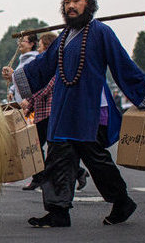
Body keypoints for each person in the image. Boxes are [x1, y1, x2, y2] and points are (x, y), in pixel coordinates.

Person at [3, 0, 145, 228]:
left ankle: (121, 201)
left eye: (76, 0)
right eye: (67, 1)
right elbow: (44, 66)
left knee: (97, 161)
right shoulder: (65, 37)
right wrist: (16, 75)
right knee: (58, 160)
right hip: (62, 110)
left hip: (89, 110)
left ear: (88, 4)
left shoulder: (101, 32)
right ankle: (58, 212)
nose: (70, 5)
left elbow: (122, 63)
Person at [17, 32, 89, 191]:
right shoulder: (40, 63)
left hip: (50, 111)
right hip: (41, 111)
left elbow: (47, 88)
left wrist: (29, 101)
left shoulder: (54, 65)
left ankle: (49, 179)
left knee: (42, 146)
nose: (40, 48)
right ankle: (72, 173)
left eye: (42, 45)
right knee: (41, 146)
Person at [8, 34, 39, 103]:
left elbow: (26, 81)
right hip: (21, 103)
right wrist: (12, 90)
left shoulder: (32, 60)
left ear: (31, 44)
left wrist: (12, 75)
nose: (19, 43)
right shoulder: (22, 60)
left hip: (28, 104)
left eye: (22, 41)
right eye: (19, 41)